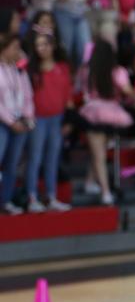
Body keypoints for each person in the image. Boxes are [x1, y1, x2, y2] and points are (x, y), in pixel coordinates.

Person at [79, 41, 135, 205]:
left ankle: (90, 182)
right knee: (100, 154)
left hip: (92, 113)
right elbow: (128, 91)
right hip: (112, 113)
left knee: (98, 152)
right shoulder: (118, 72)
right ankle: (105, 191)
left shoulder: (86, 71)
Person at [24, 30, 72, 213]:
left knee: (52, 158)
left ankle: (51, 196)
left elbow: (67, 94)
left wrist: (68, 119)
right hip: (38, 119)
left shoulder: (62, 67)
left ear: (52, 46)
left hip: (57, 118)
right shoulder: (31, 69)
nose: (41, 48)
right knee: (35, 158)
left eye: (45, 44)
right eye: (38, 45)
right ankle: (32, 196)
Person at [0, 33, 34, 214]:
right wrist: (10, 121)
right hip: (3, 123)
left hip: (19, 121)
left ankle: (5, 200)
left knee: (12, 164)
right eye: (14, 48)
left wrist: (28, 117)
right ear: (4, 49)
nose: (18, 52)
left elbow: (27, 94)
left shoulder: (19, 69)